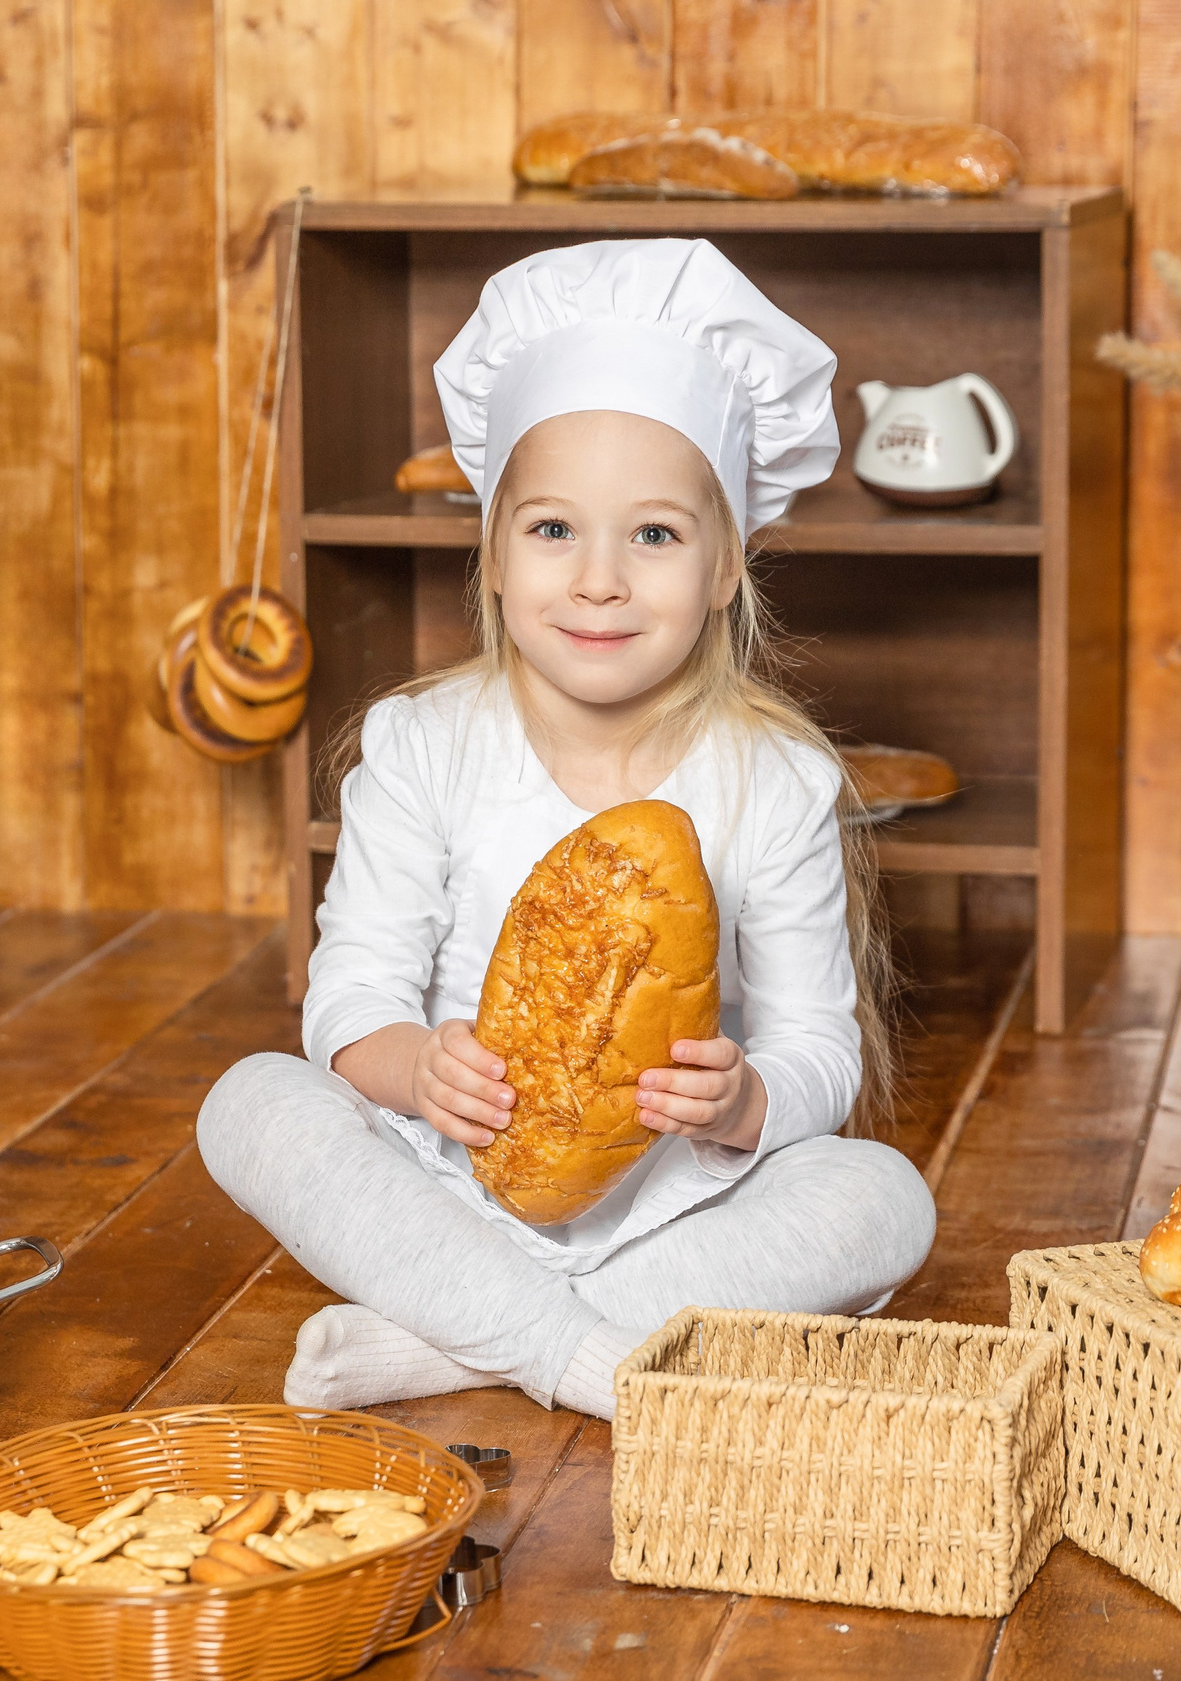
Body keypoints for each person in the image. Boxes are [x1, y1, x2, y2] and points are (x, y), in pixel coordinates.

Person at [197, 238, 934, 1420]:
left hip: (675, 1200)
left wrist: (747, 1100)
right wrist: (412, 1068)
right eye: (551, 530)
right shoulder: (425, 745)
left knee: (883, 1199)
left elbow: (818, 1051)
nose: (599, 579)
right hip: (442, 1182)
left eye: (653, 535)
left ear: (725, 567)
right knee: (249, 1099)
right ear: (490, 553)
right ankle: (589, 1353)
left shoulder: (774, 778)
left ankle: (461, 1339)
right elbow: (348, 1000)